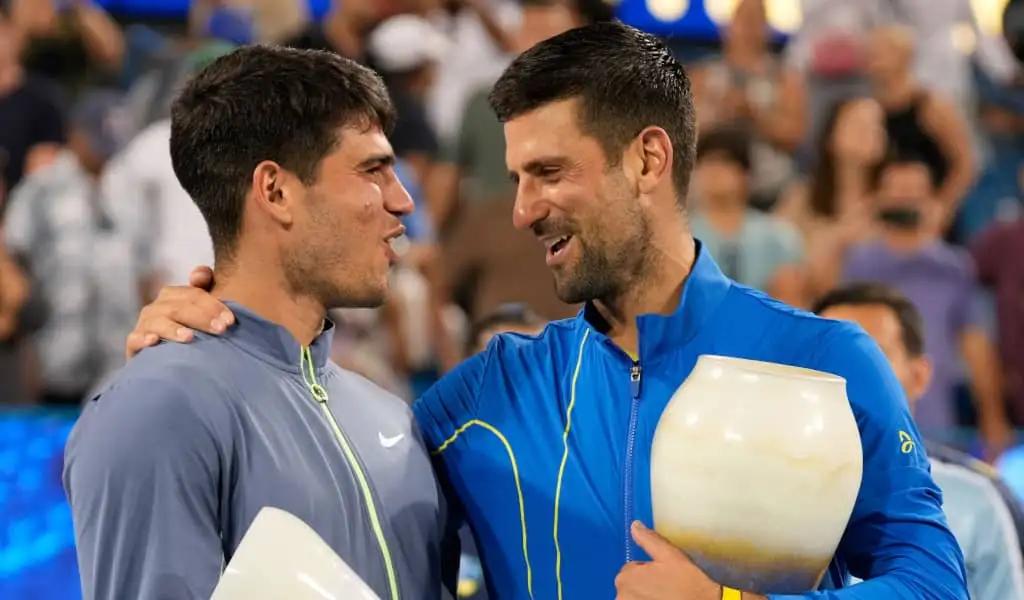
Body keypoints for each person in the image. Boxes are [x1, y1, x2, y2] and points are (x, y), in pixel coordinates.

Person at [126, 23, 968, 599]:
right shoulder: (479, 400)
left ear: (647, 159)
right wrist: (207, 341)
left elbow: (935, 583)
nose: (524, 209)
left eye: (550, 172)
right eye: (517, 176)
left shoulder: (826, 362)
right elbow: (325, 477)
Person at [63, 46, 448, 600]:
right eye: (373, 170)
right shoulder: (157, 407)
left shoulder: (393, 414)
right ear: (276, 191)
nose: (404, 200)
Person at [814, 282, 1024, 600]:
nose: (847, 375)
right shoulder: (772, 491)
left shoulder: (978, 502)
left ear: (919, 376)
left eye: (871, 357)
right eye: (830, 356)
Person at [842, 155, 1013, 457]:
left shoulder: (954, 267)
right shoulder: (859, 263)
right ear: (881, 198)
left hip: (937, 422)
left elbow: (975, 344)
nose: (905, 200)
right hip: (866, 420)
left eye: (914, 192)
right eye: (897, 192)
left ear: (931, 199)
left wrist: (992, 416)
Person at [4, 90, 140, 406]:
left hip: (116, 353)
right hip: (55, 350)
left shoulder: (129, 186)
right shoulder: (43, 186)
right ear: (75, 134)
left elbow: (142, 267)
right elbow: (12, 251)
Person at [690, 0, 805, 208]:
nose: (748, 30)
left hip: (771, 187)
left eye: (756, 22)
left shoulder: (785, 79)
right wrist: (719, 111)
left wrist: (755, 116)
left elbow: (794, 135)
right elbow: (686, 132)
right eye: (743, 21)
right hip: (710, 185)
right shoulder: (702, 76)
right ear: (727, 27)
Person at [775, 96, 886, 299]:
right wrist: (840, 236)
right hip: (815, 300)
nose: (869, 133)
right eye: (857, 124)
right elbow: (780, 253)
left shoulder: (891, 198)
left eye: (877, 126)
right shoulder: (803, 196)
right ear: (831, 134)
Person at [866, 25, 976, 231]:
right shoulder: (868, 108)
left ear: (904, 56)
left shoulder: (932, 106)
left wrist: (943, 207)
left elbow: (965, 163)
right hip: (885, 216)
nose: (873, 59)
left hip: (929, 212)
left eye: (881, 52)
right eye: (870, 53)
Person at [689, 126, 805, 306]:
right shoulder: (680, 234)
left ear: (746, 174)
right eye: (706, 163)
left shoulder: (778, 236)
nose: (714, 172)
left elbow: (790, 301)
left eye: (725, 163)